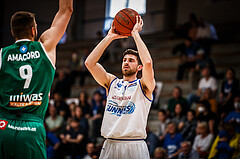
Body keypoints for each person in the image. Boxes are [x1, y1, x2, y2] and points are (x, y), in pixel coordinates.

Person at [0, 1, 73, 158]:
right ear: (33, 31)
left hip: (3, 127)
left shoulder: (1, 55)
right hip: (32, 128)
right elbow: (66, 10)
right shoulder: (45, 47)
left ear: (12, 32)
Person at [85, 16, 155, 159]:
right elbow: (89, 63)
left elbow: (148, 62)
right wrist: (109, 37)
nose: (126, 63)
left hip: (134, 145)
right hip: (110, 144)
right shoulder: (112, 82)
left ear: (139, 67)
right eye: (124, 60)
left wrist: (135, 34)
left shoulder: (144, 85)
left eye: (131, 60)